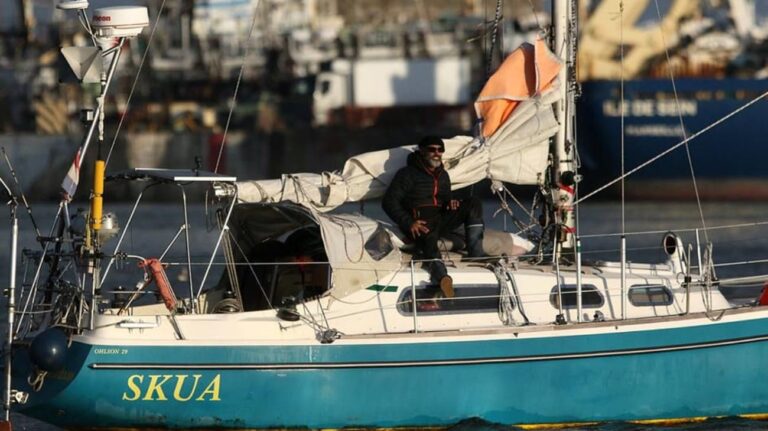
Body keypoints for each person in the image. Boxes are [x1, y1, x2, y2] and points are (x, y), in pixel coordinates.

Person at [382, 136, 486, 298]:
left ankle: (477, 253)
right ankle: (443, 277)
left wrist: (450, 204)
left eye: (440, 150)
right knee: (429, 240)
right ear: (422, 151)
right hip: (419, 223)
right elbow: (389, 202)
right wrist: (409, 223)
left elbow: (445, 199)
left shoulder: (443, 175)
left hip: (440, 219)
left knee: (473, 203)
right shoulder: (407, 174)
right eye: (432, 149)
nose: (436, 153)